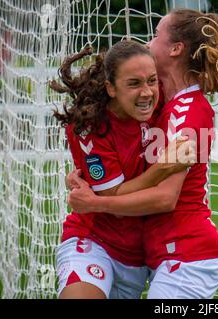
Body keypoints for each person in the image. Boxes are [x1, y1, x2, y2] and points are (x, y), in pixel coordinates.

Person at [67, 9, 218, 299]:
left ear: (176, 49)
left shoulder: (187, 112)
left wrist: (94, 203)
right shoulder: (164, 93)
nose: (149, 42)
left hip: (188, 252)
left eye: (157, 34)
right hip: (167, 253)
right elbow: (211, 70)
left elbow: (165, 197)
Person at [49, 40, 195, 299]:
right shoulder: (90, 128)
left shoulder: (157, 98)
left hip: (138, 259)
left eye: (151, 80)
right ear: (111, 88)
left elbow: (208, 72)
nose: (147, 92)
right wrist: (164, 168)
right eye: (134, 84)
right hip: (94, 242)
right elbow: (112, 197)